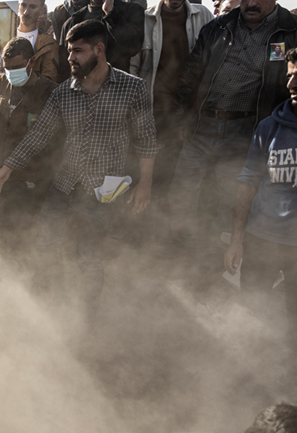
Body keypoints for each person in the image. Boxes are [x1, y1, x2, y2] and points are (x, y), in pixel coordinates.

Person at [0, 20, 158, 319]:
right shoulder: (63, 93)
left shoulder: (133, 88)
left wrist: (145, 185)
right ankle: (45, 310)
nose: (70, 58)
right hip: (65, 185)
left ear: (99, 49)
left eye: (77, 51)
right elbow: (38, 136)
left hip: (106, 189)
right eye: (68, 51)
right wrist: (7, 168)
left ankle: (88, 317)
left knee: (89, 256)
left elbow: (146, 140)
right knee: (45, 246)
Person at [169, 0, 297, 287]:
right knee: (182, 196)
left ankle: (219, 270)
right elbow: (191, 73)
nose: (250, 3)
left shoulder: (289, 31)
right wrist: (181, 117)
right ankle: (179, 264)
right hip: (202, 127)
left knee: (230, 204)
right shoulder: (218, 27)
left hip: (246, 131)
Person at [224, 49, 297, 365]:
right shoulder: (269, 127)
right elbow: (247, 183)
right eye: (290, 74)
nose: (292, 82)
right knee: (251, 319)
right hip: (263, 238)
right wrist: (236, 240)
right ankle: (251, 379)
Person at [129, 0, 212, 226]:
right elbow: (133, 67)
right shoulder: (146, 19)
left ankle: (169, 234)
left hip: (188, 115)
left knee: (180, 179)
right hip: (150, 112)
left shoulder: (204, 17)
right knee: (145, 174)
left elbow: (210, 66)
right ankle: (140, 230)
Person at [0, 38, 60, 251]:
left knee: (23, 240)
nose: (11, 73)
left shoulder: (51, 92)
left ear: (32, 61)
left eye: (17, 67)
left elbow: (50, 140)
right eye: (7, 68)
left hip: (29, 182)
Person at [58, 0, 145, 80]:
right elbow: (65, 67)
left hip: (118, 89)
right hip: (83, 92)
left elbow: (133, 47)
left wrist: (110, 13)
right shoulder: (72, 22)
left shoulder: (131, 11)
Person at [18, 0, 60, 82]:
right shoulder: (7, 35)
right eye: (23, 5)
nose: (26, 12)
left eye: (33, 7)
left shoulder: (48, 44)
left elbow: (49, 80)